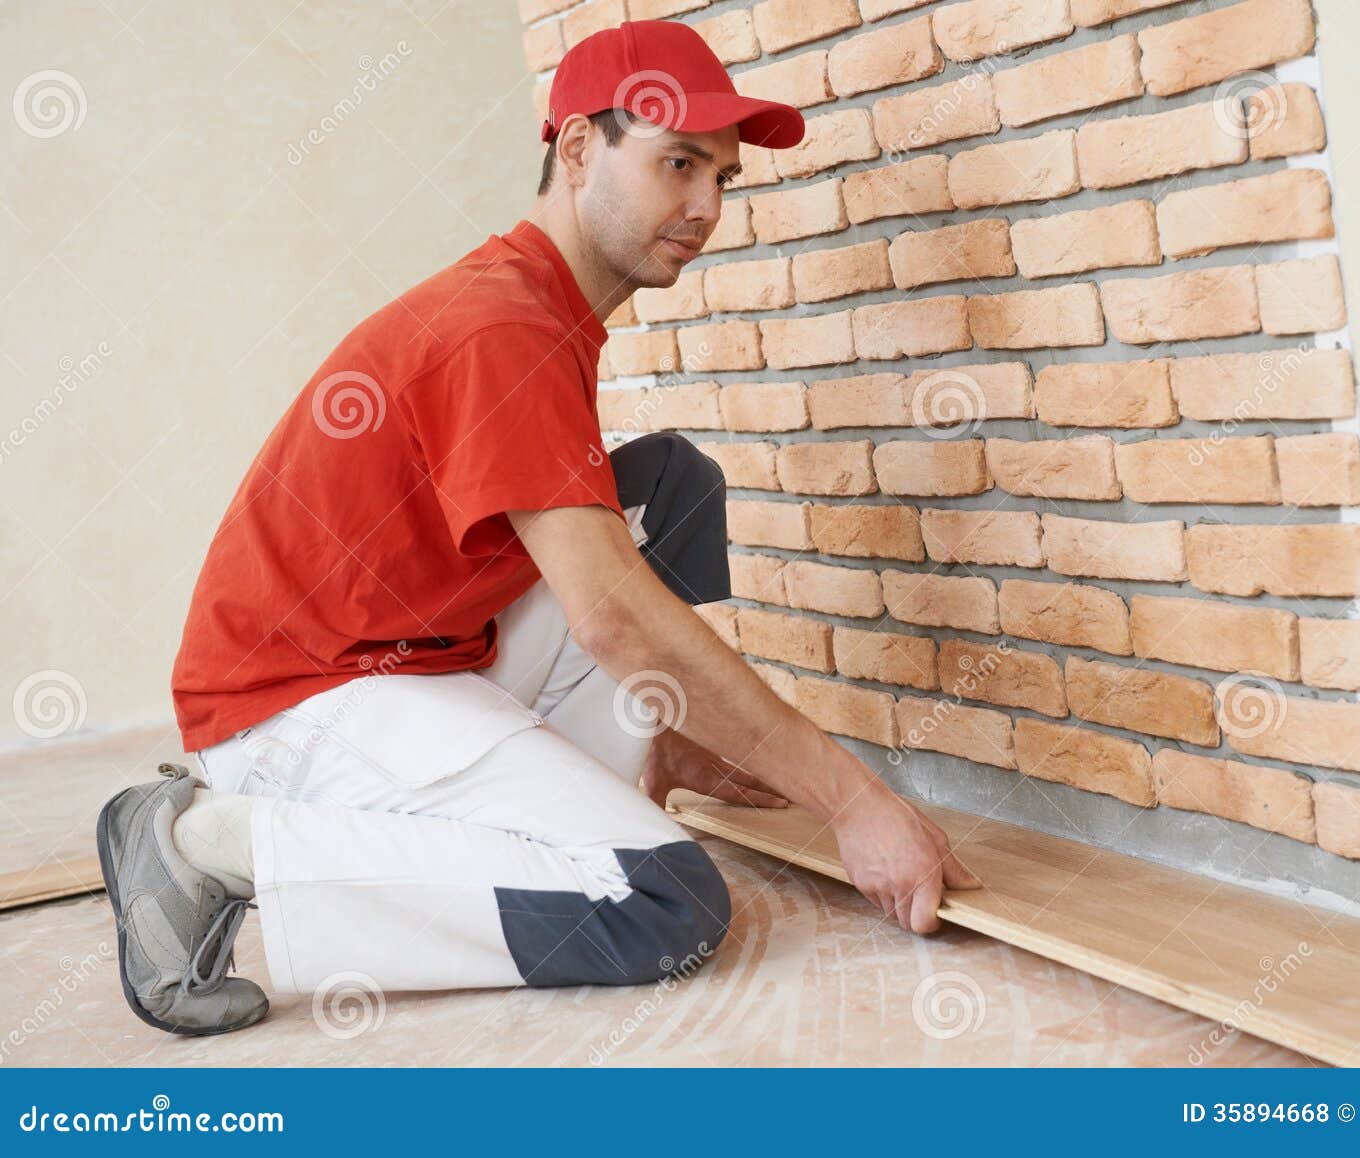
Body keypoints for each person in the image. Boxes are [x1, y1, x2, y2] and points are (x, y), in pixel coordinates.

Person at [97, 18, 981, 1037]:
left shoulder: (540, 307)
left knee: (665, 488)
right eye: (676, 163)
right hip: (299, 704)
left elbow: (609, 583)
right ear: (575, 151)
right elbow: (611, 617)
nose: (703, 208)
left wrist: (684, 737)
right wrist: (855, 804)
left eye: (722, 179)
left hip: (409, 656)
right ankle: (214, 844)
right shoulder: (501, 327)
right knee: (659, 904)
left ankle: (594, 807)